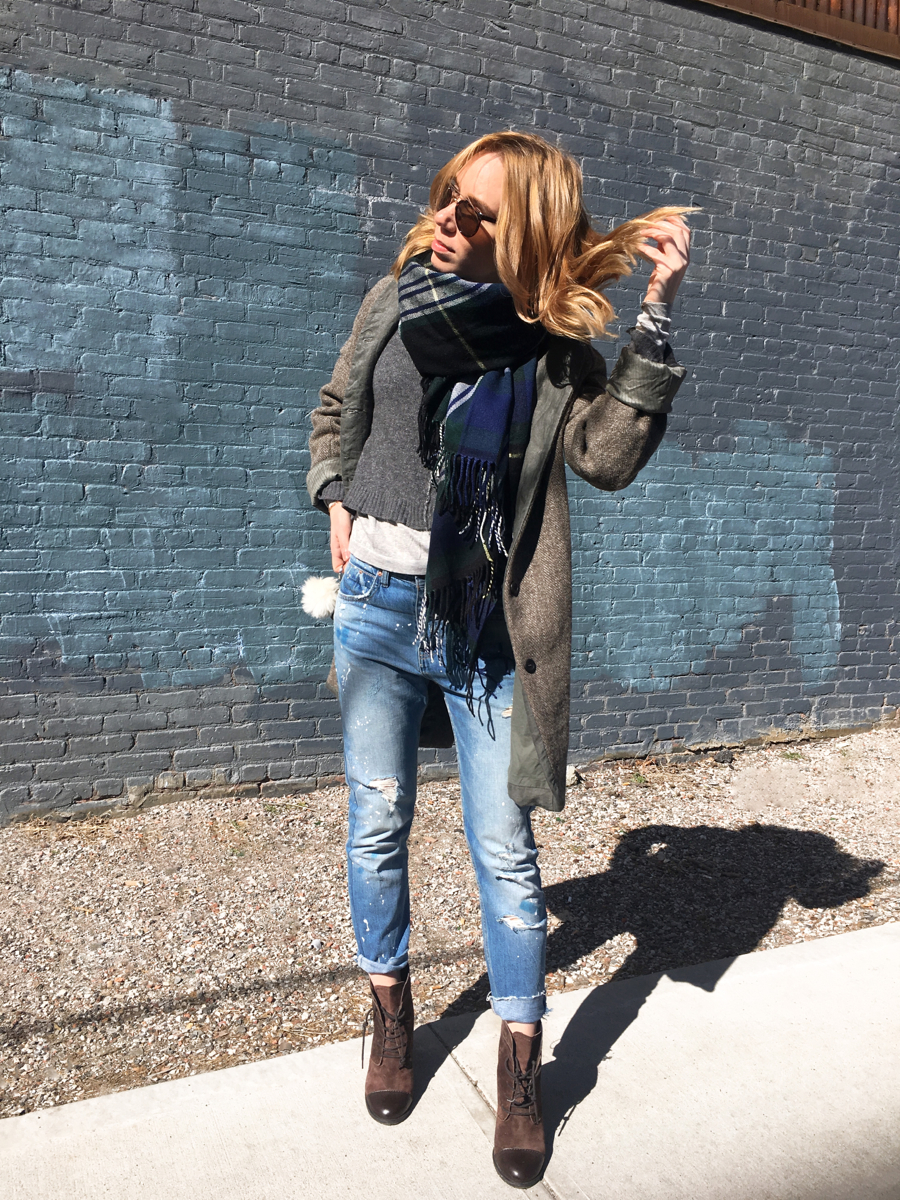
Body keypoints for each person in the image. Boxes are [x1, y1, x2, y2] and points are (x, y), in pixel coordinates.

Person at [307, 131, 690, 1188]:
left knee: (504, 850)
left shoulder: (552, 357)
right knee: (376, 818)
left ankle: (520, 1067)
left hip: (485, 629)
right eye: (447, 198)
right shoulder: (396, 301)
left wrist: (654, 322)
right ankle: (390, 1013)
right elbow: (338, 407)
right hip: (376, 608)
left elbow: (607, 460)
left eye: (477, 215)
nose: (448, 221)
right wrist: (333, 494)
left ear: (515, 235)